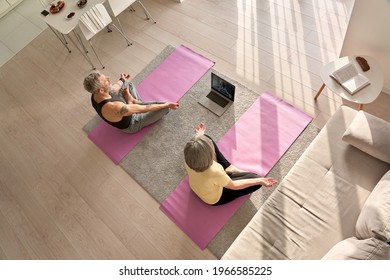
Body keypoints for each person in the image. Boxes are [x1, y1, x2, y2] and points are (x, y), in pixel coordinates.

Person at [184, 123, 277, 205]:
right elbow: (234, 186)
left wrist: (199, 135)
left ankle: (229, 167)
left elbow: (199, 150)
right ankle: (231, 169)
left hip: (203, 183)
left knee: (206, 138)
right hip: (216, 197)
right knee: (256, 179)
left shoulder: (188, 160)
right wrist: (260, 181)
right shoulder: (215, 172)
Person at [83, 70, 179, 133]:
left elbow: (113, 89)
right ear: (101, 90)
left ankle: (131, 101)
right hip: (132, 122)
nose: (108, 78)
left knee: (127, 84)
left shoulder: (95, 94)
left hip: (123, 108)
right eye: (106, 81)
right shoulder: (113, 107)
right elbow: (144, 108)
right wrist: (167, 104)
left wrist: (122, 79)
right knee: (164, 108)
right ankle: (132, 101)